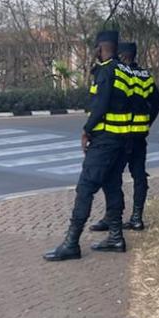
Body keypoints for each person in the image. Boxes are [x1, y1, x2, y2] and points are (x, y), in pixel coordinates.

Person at [43, 30, 133, 261]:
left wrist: (87, 130)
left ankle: (71, 243)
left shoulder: (106, 70)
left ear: (100, 48)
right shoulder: (125, 70)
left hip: (104, 141)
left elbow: (101, 105)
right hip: (122, 140)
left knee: (85, 188)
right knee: (112, 186)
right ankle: (115, 237)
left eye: (94, 48)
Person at [90, 42, 159, 232]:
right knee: (139, 175)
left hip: (120, 134)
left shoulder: (120, 74)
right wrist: (147, 122)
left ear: (121, 56)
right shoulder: (145, 75)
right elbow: (156, 102)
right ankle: (137, 217)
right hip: (139, 135)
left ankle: (111, 216)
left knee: (112, 177)